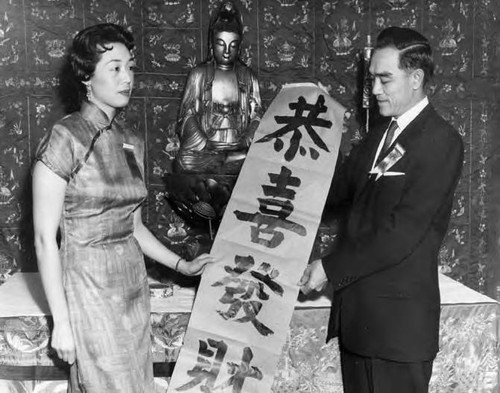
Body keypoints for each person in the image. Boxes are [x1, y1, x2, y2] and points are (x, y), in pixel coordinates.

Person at [32, 23, 215, 393]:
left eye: (129, 67)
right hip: (88, 287)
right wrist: (62, 322)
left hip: (131, 285)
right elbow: (43, 240)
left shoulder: (132, 142)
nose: (126, 77)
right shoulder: (65, 137)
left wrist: (183, 265)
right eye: (114, 68)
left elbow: (134, 227)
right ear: (87, 77)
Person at [299, 26, 464, 392]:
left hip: (398, 334)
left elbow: (399, 235)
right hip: (359, 326)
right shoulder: (378, 136)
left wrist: (329, 267)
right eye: (372, 78)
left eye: (384, 80)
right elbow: (334, 196)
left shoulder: (441, 142)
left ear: (416, 78)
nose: (374, 90)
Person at [173, 1, 262, 175]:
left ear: (239, 47)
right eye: (221, 44)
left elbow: (257, 115)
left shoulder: (248, 76)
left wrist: (245, 140)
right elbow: (187, 115)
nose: (227, 51)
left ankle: (228, 161)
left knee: (255, 160)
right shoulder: (199, 74)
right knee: (184, 161)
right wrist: (205, 143)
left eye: (233, 45)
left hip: (239, 148)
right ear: (212, 45)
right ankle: (224, 162)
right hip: (206, 149)